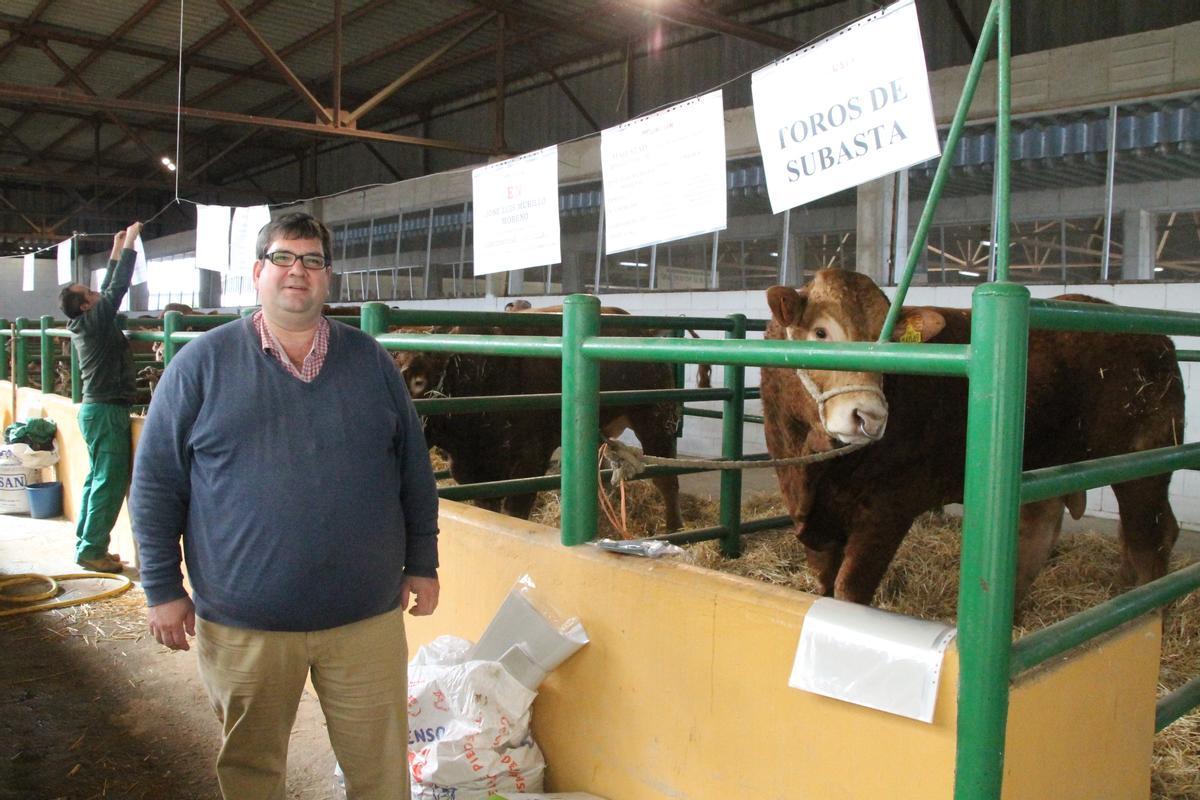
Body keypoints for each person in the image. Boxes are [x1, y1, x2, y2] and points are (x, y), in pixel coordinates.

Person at [130, 212, 440, 800]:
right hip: (246, 621)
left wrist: (423, 561)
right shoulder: (200, 366)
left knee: (380, 772)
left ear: (328, 278)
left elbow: (413, 470)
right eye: (283, 258)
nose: (298, 271)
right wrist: (162, 589)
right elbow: (155, 483)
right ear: (257, 272)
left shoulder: (371, 362)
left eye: (313, 260)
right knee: (251, 771)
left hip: (365, 618)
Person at [59, 221, 142, 573]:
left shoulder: (88, 322)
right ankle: (92, 549)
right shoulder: (93, 323)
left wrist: (115, 246)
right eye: (90, 295)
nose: (96, 294)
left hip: (97, 410)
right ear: (84, 307)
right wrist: (132, 244)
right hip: (107, 411)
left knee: (98, 479)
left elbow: (108, 288)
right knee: (109, 480)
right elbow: (117, 287)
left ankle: (88, 545)